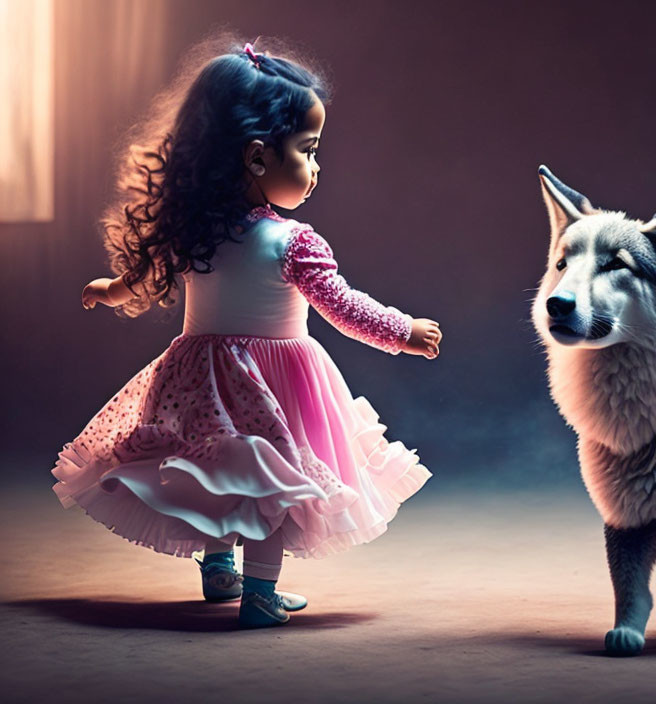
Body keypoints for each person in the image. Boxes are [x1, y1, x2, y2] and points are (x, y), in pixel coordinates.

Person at [53, 37, 441, 628]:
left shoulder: (193, 232)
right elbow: (342, 307)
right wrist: (402, 330)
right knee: (272, 482)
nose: (316, 168)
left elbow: (146, 276)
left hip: (197, 377)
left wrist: (112, 290)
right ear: (257, 158)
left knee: (215, 469)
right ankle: (258, 592)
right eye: (308, 151)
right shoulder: (293, 241)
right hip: (275, 383)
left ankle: (218, 571)